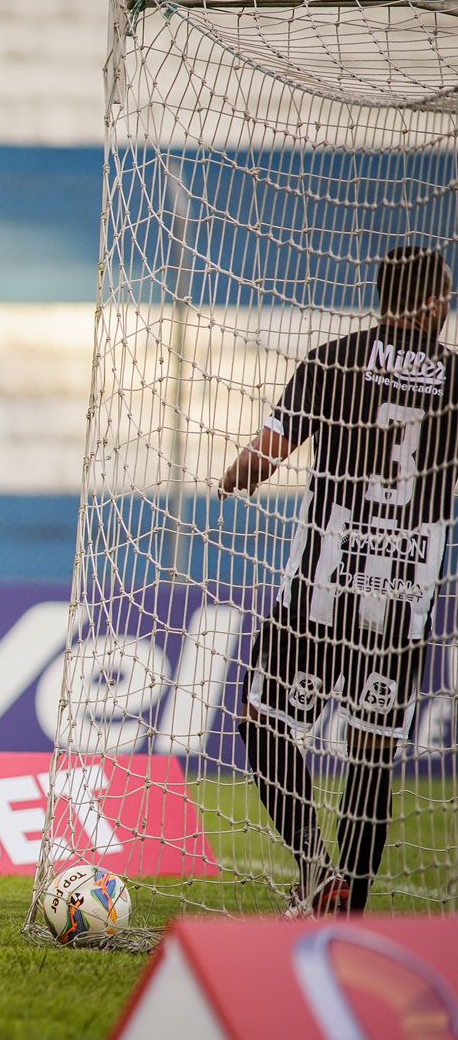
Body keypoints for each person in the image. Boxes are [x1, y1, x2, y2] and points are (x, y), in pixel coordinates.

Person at [219, 245, 458, 917]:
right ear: (433, 304)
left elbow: (260, 459)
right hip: (404, 607)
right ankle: (346, 909)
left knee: (263, 719)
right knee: (371, 755)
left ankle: (315, 864)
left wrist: (235, 475)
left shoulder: (333, 360)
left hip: (322, 593)